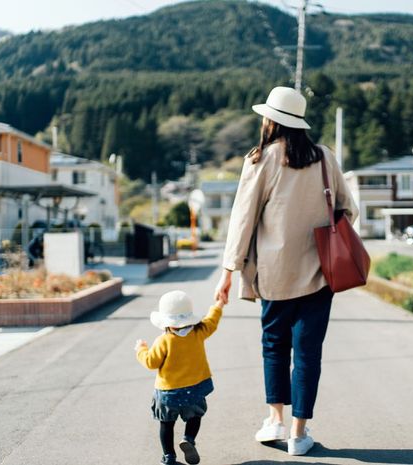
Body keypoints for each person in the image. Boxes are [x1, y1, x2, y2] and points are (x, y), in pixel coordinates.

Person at [214, 86, 358, 456]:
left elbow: (243, 218)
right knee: (308, 352)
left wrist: (229, 270)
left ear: (271, 121)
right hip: (321, 273)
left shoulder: (261, 158)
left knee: (274, 347)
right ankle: (299, 433)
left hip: (274, 275)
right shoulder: (324, 157)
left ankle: (275, 420)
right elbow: (348, 209)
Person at [136, 290, 224, 465]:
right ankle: (189, 438)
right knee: (195, 416)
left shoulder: (164, 340)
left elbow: (151, 362)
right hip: (195, 389)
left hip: (169, 392)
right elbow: (212, 322)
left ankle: (169, 457)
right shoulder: (198, 332)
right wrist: (218, 305)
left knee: (166, 424)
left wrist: (141, 349)